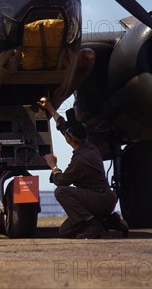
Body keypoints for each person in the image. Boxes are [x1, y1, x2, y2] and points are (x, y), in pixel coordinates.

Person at [38, 97, 128, 239]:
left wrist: (53, 166)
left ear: (69, 138)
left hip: (99, 200)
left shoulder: (81, 160)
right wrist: (49, 108)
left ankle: (93, 224)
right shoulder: (88, 145)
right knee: (64, 232)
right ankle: (108, 221)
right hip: (104, 199)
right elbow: (64, 126)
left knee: (61, 192)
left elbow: (62, 181)